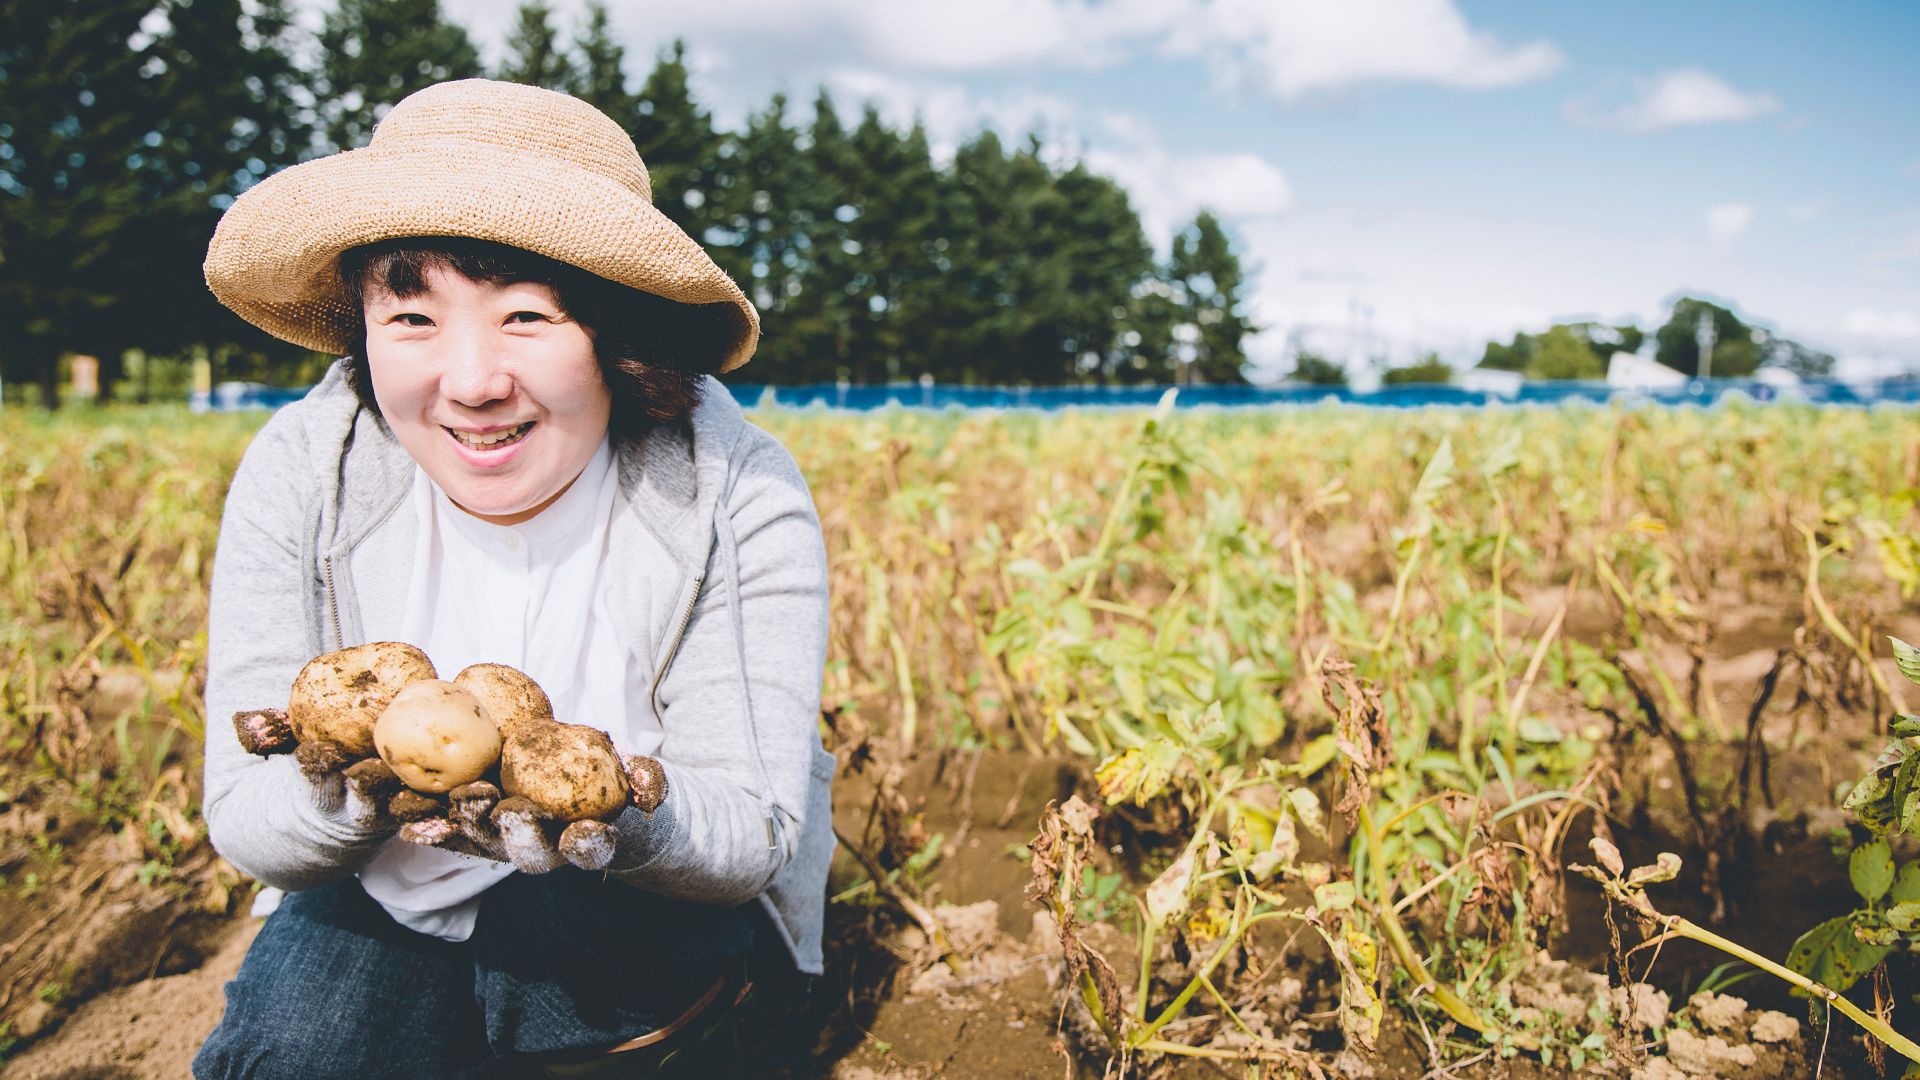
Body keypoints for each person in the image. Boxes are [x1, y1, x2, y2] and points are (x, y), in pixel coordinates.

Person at [190, 79, 834, 1078]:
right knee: (297, 1052)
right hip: (379, 883)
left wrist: (616, 811)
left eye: (527, 315)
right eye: (411, 317)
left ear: (617, 337)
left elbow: (750, 826)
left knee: (556, 988)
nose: (473, 380)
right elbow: (243, 811)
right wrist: (353, 797)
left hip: (636, 897)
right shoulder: (302, 469)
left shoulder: (735, 490)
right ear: (362, 327)